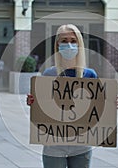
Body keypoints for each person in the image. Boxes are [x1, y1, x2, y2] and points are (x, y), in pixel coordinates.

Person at [27, 24, 97, 168]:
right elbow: (42, 109)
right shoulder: (49, 74)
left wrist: (108, 105)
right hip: (54, 144)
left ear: (80, 44)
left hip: (81, 144)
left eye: (73, 40)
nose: (69, 45)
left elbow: (96, 109)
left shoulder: (90, 75)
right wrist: (34, 103)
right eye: (64, 41)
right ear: (57, 45)